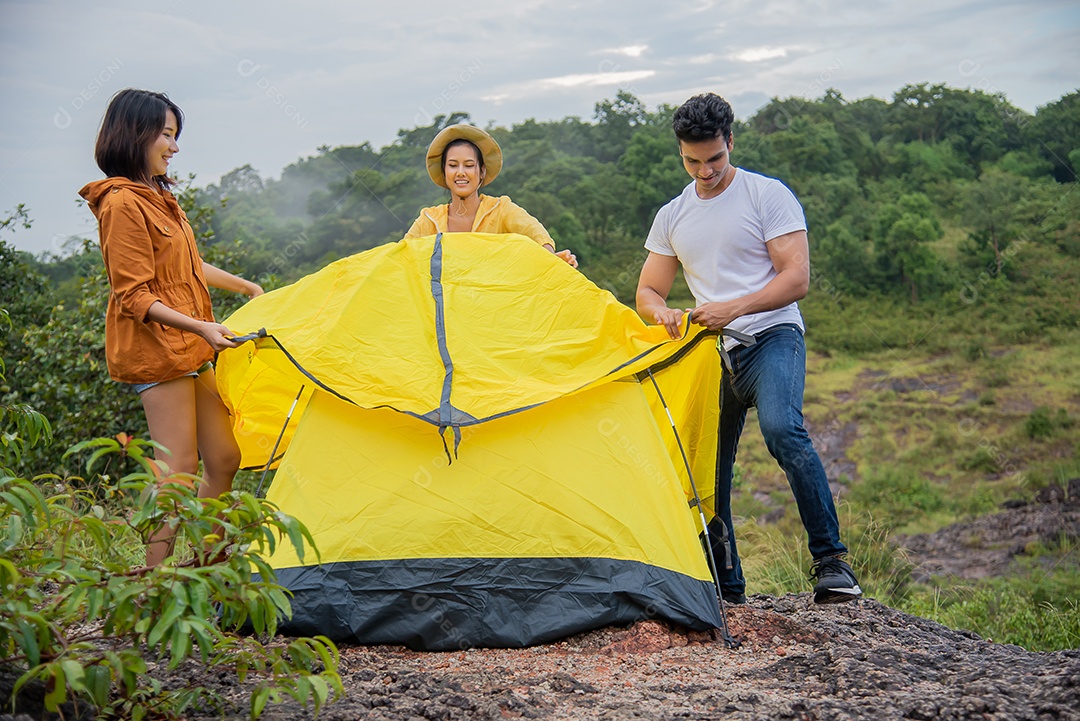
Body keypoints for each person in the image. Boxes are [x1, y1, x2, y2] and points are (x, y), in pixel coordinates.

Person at [635, 92, 862, 605]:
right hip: (711, 352)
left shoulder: (767, 195)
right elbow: (647, 291)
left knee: (783, 430)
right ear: (680, 153)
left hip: (773, 335)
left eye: (714, 158)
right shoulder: (672, 215)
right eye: (692, 161)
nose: (705, 170)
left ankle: (833, 566)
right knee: (707, 467)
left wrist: (734, 307)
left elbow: (797, 278)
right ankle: (726, 587)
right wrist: (663, 312)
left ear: (730, 142)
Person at [79, 88, 263, 567]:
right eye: (166, 134)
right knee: (178, 469)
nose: (174, 146)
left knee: (223, 458)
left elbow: (189, 264)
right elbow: (133, 295)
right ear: (135, 134)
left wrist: (246, 287)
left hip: (189, 346)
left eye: (175, 136)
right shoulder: (121, 204)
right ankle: (156, 582)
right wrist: (202, 327)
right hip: (156, 350)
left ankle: (211, 570)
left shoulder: (159, 196)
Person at [405, 124, 577, 267]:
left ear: (481, 171)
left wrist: (551, 259)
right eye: (453, 165)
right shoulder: (429, 221)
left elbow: (534, 232)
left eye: (469, 165)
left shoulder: (501, 210)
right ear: (444, 171)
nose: (460, 172)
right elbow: (401, 256)